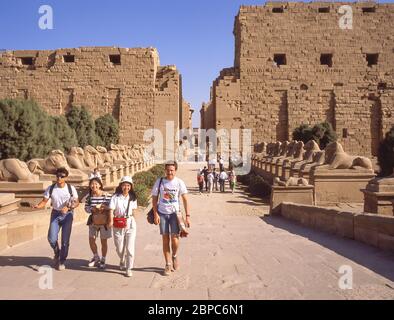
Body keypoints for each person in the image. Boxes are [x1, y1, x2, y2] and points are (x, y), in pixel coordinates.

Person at [33, 167, 79, 271]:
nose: (59, 178)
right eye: (57, 176)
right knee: (51, 238)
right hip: (55, 214)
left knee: (65, 241)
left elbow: (77, 202)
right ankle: (57, 251)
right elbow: (44, 201)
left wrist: (69, 207)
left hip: (68, 215)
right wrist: (38, 206)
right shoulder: (51, 188)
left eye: (62, 176)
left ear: (66, 177)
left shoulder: (71, 188)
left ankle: (62, 260)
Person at [151, 161, 190, 276]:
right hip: (162, 214)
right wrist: (155, 214)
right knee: (165, 239)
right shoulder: (160, 181)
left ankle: (174, 256)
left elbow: (185, 199)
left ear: (175, 170)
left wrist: (187, 216)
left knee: (175, 239)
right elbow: (154, 198)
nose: (170, 172)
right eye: (168, 170)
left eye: (172, 170)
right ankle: (167, 264)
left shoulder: (179, 182)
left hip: (175, 214)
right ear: (165, 170)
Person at [108, 176, 138, 277]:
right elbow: (111, 210)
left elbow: (134, 211)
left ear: (131, 186)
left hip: (130, 223)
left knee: (130, 248)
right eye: (124, 185)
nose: (126, 187)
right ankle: (122, 259)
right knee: (119, 247)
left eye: (128, 185)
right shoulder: (115, 197)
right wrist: (111, 221)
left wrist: (134, 221)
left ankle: (129, 268)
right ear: (121, 186)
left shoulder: (133, 197)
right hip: (118, 223)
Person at [84, 177, 112, 269]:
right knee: (91, 239)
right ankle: (96, 257)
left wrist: (104, 207)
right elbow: (86, 208)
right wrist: (91, 209)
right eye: (92, 184)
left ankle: (103, 259)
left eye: (96, 184)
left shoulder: (107, 195)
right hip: (93, 221)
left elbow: (112, 207)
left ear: (100, 185)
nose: (94, 185)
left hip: (104, 222)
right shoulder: (89, 197)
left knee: (103, 241)